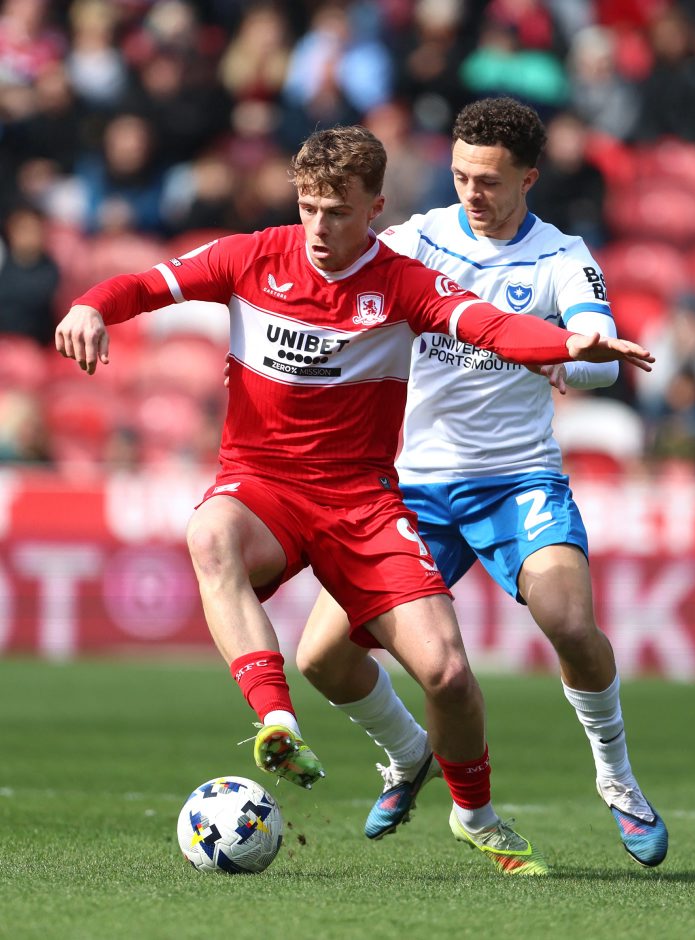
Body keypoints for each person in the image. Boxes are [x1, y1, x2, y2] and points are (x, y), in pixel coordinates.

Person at [55, 124, 653, 877]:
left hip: (363, 502)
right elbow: (144, 285)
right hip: (263, 486)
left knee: (447, 675)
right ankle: (277, 720)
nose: (318, 227)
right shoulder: (250, 256)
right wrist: (90, 305)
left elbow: (491, 327)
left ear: (374, 208)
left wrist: (570, 344)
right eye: (307, 207)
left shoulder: (404, 282)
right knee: (209, 535)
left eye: (337, 211)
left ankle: (474, 815)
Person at [296, 101, 669, 869]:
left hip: (515, 480)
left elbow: (600, 353)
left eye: (489, 180)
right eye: (462, 174)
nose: (471, 191)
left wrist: (567, 356)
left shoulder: (560, 256)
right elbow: (336, 291)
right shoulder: (418, 239)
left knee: (570, 624)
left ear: (527, 178)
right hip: (412, 489)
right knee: (321, 657)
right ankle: (408, 754)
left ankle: (617, 778)